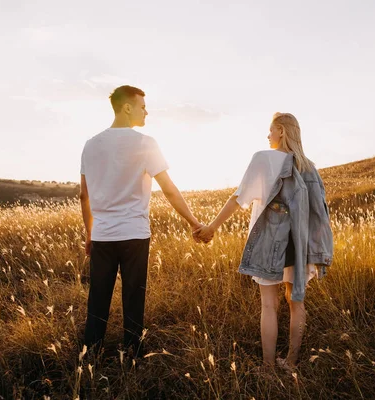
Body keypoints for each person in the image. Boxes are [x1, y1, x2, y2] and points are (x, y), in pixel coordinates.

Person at [194, 112, 333, 370]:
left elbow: (239, 198)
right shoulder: (309, 166)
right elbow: (320, 213)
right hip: (299, 245)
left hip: (270, 242)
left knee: (268, 304)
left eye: (270, 130)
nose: (267, 135)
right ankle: (290, 362)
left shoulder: (263, 158)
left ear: (280, 131)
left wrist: (211, 227)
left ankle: (268, 366)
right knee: (297, 302)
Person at [80, 85, 202, 357]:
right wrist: (194, 222)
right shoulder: (146, 143)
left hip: (102, 235)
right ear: (127, 107)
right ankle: (133, 355)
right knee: (133, 297)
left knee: (97, 298)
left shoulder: (91, 145)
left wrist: (89, 234)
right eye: (142, 106)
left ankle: (91, 354)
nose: (147, 111)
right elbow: (169, 189)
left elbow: (83, 196)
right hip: (134, 234)